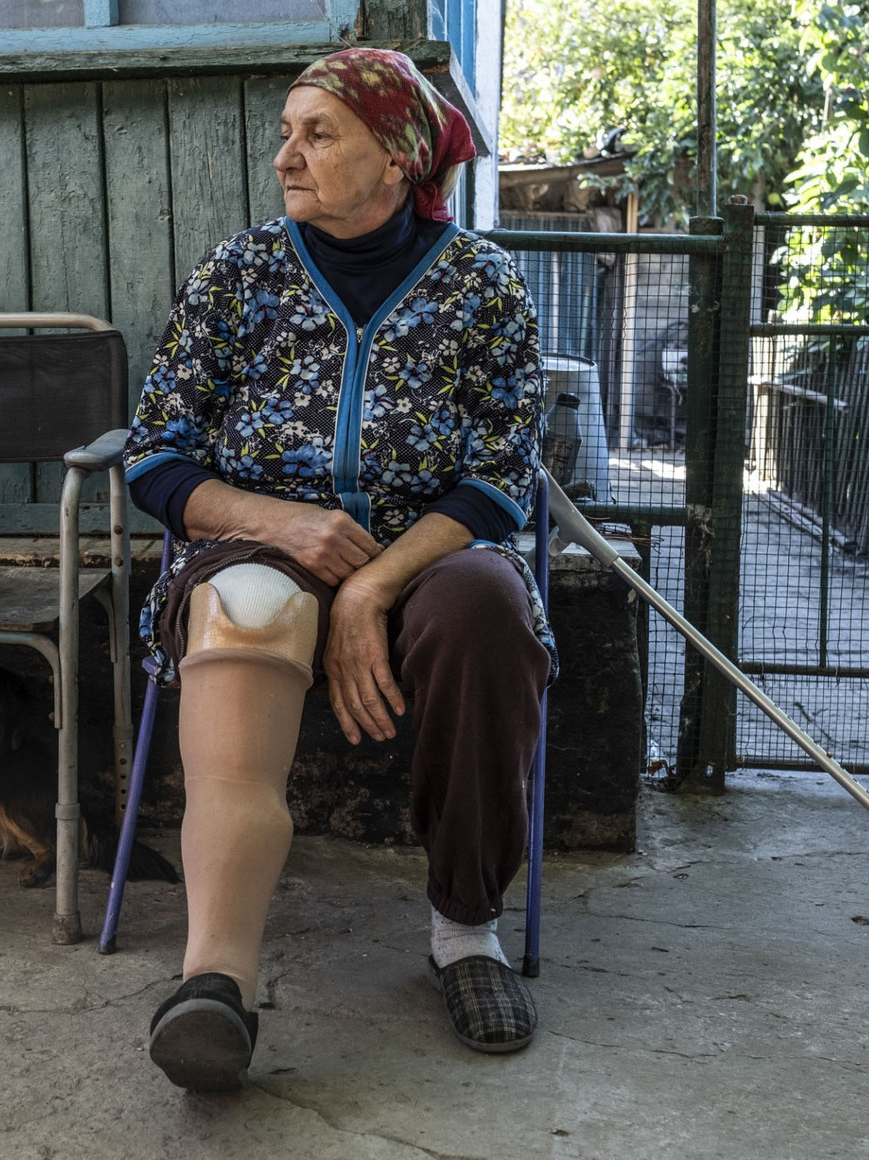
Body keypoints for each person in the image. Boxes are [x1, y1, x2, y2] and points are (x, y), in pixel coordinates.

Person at [122, 47, 553, 1092]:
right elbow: (156, 454)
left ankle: (465, 932)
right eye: (286, 132)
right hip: (259, 536)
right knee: (250, 606)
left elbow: (501, 473)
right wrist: (294, 530)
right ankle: (214, 979)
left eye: (318, 134)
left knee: (487, 609)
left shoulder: (484, 286)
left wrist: (370, 583)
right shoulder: (241, 272)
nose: (286, 157)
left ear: (398, 156)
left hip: (429, 547)